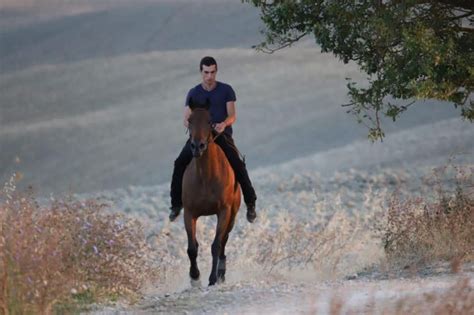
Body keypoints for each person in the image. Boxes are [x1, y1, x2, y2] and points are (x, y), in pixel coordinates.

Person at [169, 56, 257, 223]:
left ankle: (250, 202)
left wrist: (223, 124)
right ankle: (176, 204)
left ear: (216, 72)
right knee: (179, 162)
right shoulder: (193, 93)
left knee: (237, 163)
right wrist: (192, 127)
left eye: (212, 72)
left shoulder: (226, 90)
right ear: (201, 72)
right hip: (199, 136)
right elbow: (186, 118)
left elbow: (232, 115)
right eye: (206, 72)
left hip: (220, 135)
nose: (209, 76)